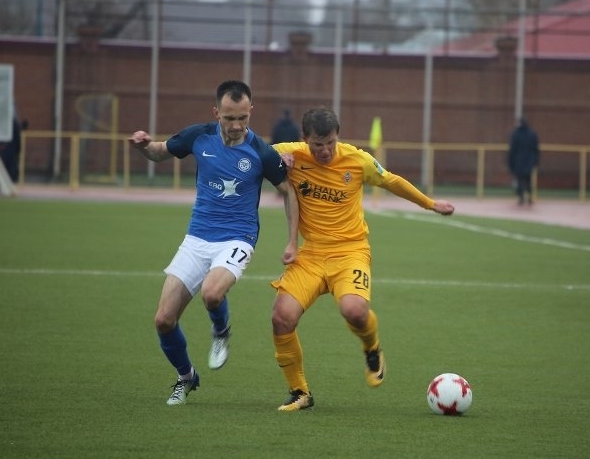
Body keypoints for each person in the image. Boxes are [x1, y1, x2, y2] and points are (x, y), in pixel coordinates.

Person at [269, 107, 455, 412]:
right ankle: (299, 392)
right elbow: (254, 152)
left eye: (330, 142)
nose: (325, 150)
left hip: (351, 251)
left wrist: (430, 203)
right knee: (281, 317)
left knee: (354, 311)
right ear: (304, 139)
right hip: (311, 253)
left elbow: (391, 181)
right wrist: (276, 159)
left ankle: (372, 348)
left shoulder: (357, 160)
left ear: (338, 136)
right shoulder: (291, 153)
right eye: (317, 145)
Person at [128, 80, 299, 405]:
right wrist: (143, 145)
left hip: (238, 237)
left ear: (251, 112)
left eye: (242, 118)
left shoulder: (261, 151)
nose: (236, 125)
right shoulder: (198, 136)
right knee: (163, 320)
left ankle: (221, 331)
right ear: (216, 112)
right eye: (229, 118)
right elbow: (159, 153)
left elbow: (289, 192)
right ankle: (186, 377)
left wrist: (292, 241)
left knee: (212, 293)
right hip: (197, 237)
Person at [507, 117, 539, 206]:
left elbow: (512, 149)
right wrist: (536, 160)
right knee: (528, 180)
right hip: (529, 161)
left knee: (520, 180)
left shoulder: (516, 134)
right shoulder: (532, 134)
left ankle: (521, 197)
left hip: (519, 161)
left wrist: (510, 162)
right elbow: (536, 149)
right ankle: (529, 196)